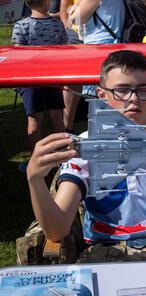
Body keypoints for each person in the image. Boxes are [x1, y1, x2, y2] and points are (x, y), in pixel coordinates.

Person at [25, 50, 146, 262]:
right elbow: (57, 230)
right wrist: (35, 179)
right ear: (101, 95)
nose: (133, 99)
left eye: (143, 90)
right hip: (104, 251)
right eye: (122, 91)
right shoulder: (85, 146)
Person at [12, 0, 67, 172]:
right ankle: (66, 155)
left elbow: (17, 56)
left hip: (29, 79)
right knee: (57, 116)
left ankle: (35, 161)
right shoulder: (58, 25)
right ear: (48, 2)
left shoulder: (20, 26)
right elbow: (64, 51)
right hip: (52, 76)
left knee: (34, 119)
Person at [60, 0, 82, 134]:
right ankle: (68, 126)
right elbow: (64, 10)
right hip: (75, 36)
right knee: (72, 82)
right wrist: (67, 29)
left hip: (98, 37)